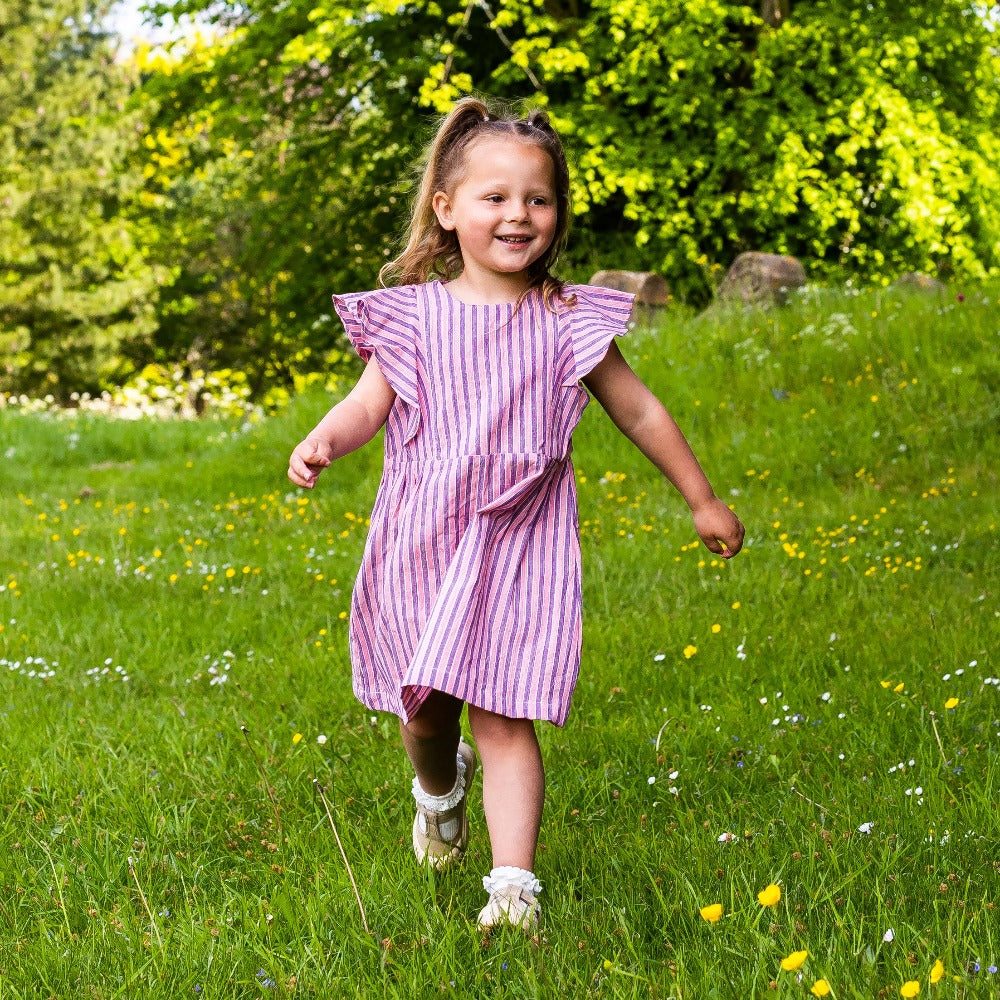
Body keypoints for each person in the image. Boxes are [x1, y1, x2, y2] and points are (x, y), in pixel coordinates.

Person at [287, 96, 744, 932]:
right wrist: (324, 440)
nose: (517, 214)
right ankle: (439, 789)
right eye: (494, 196)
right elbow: (364, 406)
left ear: (557, 214)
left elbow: (639, 409)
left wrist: (702, 497)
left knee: (504, 710)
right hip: (425, 536)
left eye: (538, 198)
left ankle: (512, 890)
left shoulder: (569, 321)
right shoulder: (414, 317)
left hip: (523, 539)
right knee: (425, 712)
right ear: (446, 208)